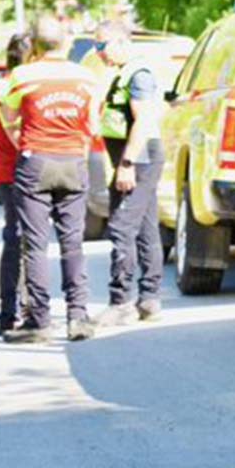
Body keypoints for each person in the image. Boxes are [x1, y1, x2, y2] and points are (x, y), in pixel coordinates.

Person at [1, 15, 104, 343]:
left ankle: (39, 321)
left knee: (35, 244)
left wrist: (25, 140)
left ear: (35, 44)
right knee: (72, 242)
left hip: (36, 161)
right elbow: (93, 123)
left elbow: (9, 117)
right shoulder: (86, 78)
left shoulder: (22, 76)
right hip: (73, 160)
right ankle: (78, 316)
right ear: (67, 43)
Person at [90, 20, 166, 327]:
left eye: (101, 46)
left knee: (121, 227)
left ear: (120, 42)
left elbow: (144, 120)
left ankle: (120, 302)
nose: (98, 53)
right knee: (146, 227)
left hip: (139, 158)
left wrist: (127, 164)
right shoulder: (123, 74)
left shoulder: (139, 74)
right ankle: (149, 299)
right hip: (136, 157)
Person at [0, 31, 34, 340]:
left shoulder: (12, 83)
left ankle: (27, 310)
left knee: (27, 243)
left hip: (22, 173)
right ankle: (10, 312)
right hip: (15, 173)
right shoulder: (7, 87)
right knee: (17, 243)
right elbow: (16, 136)